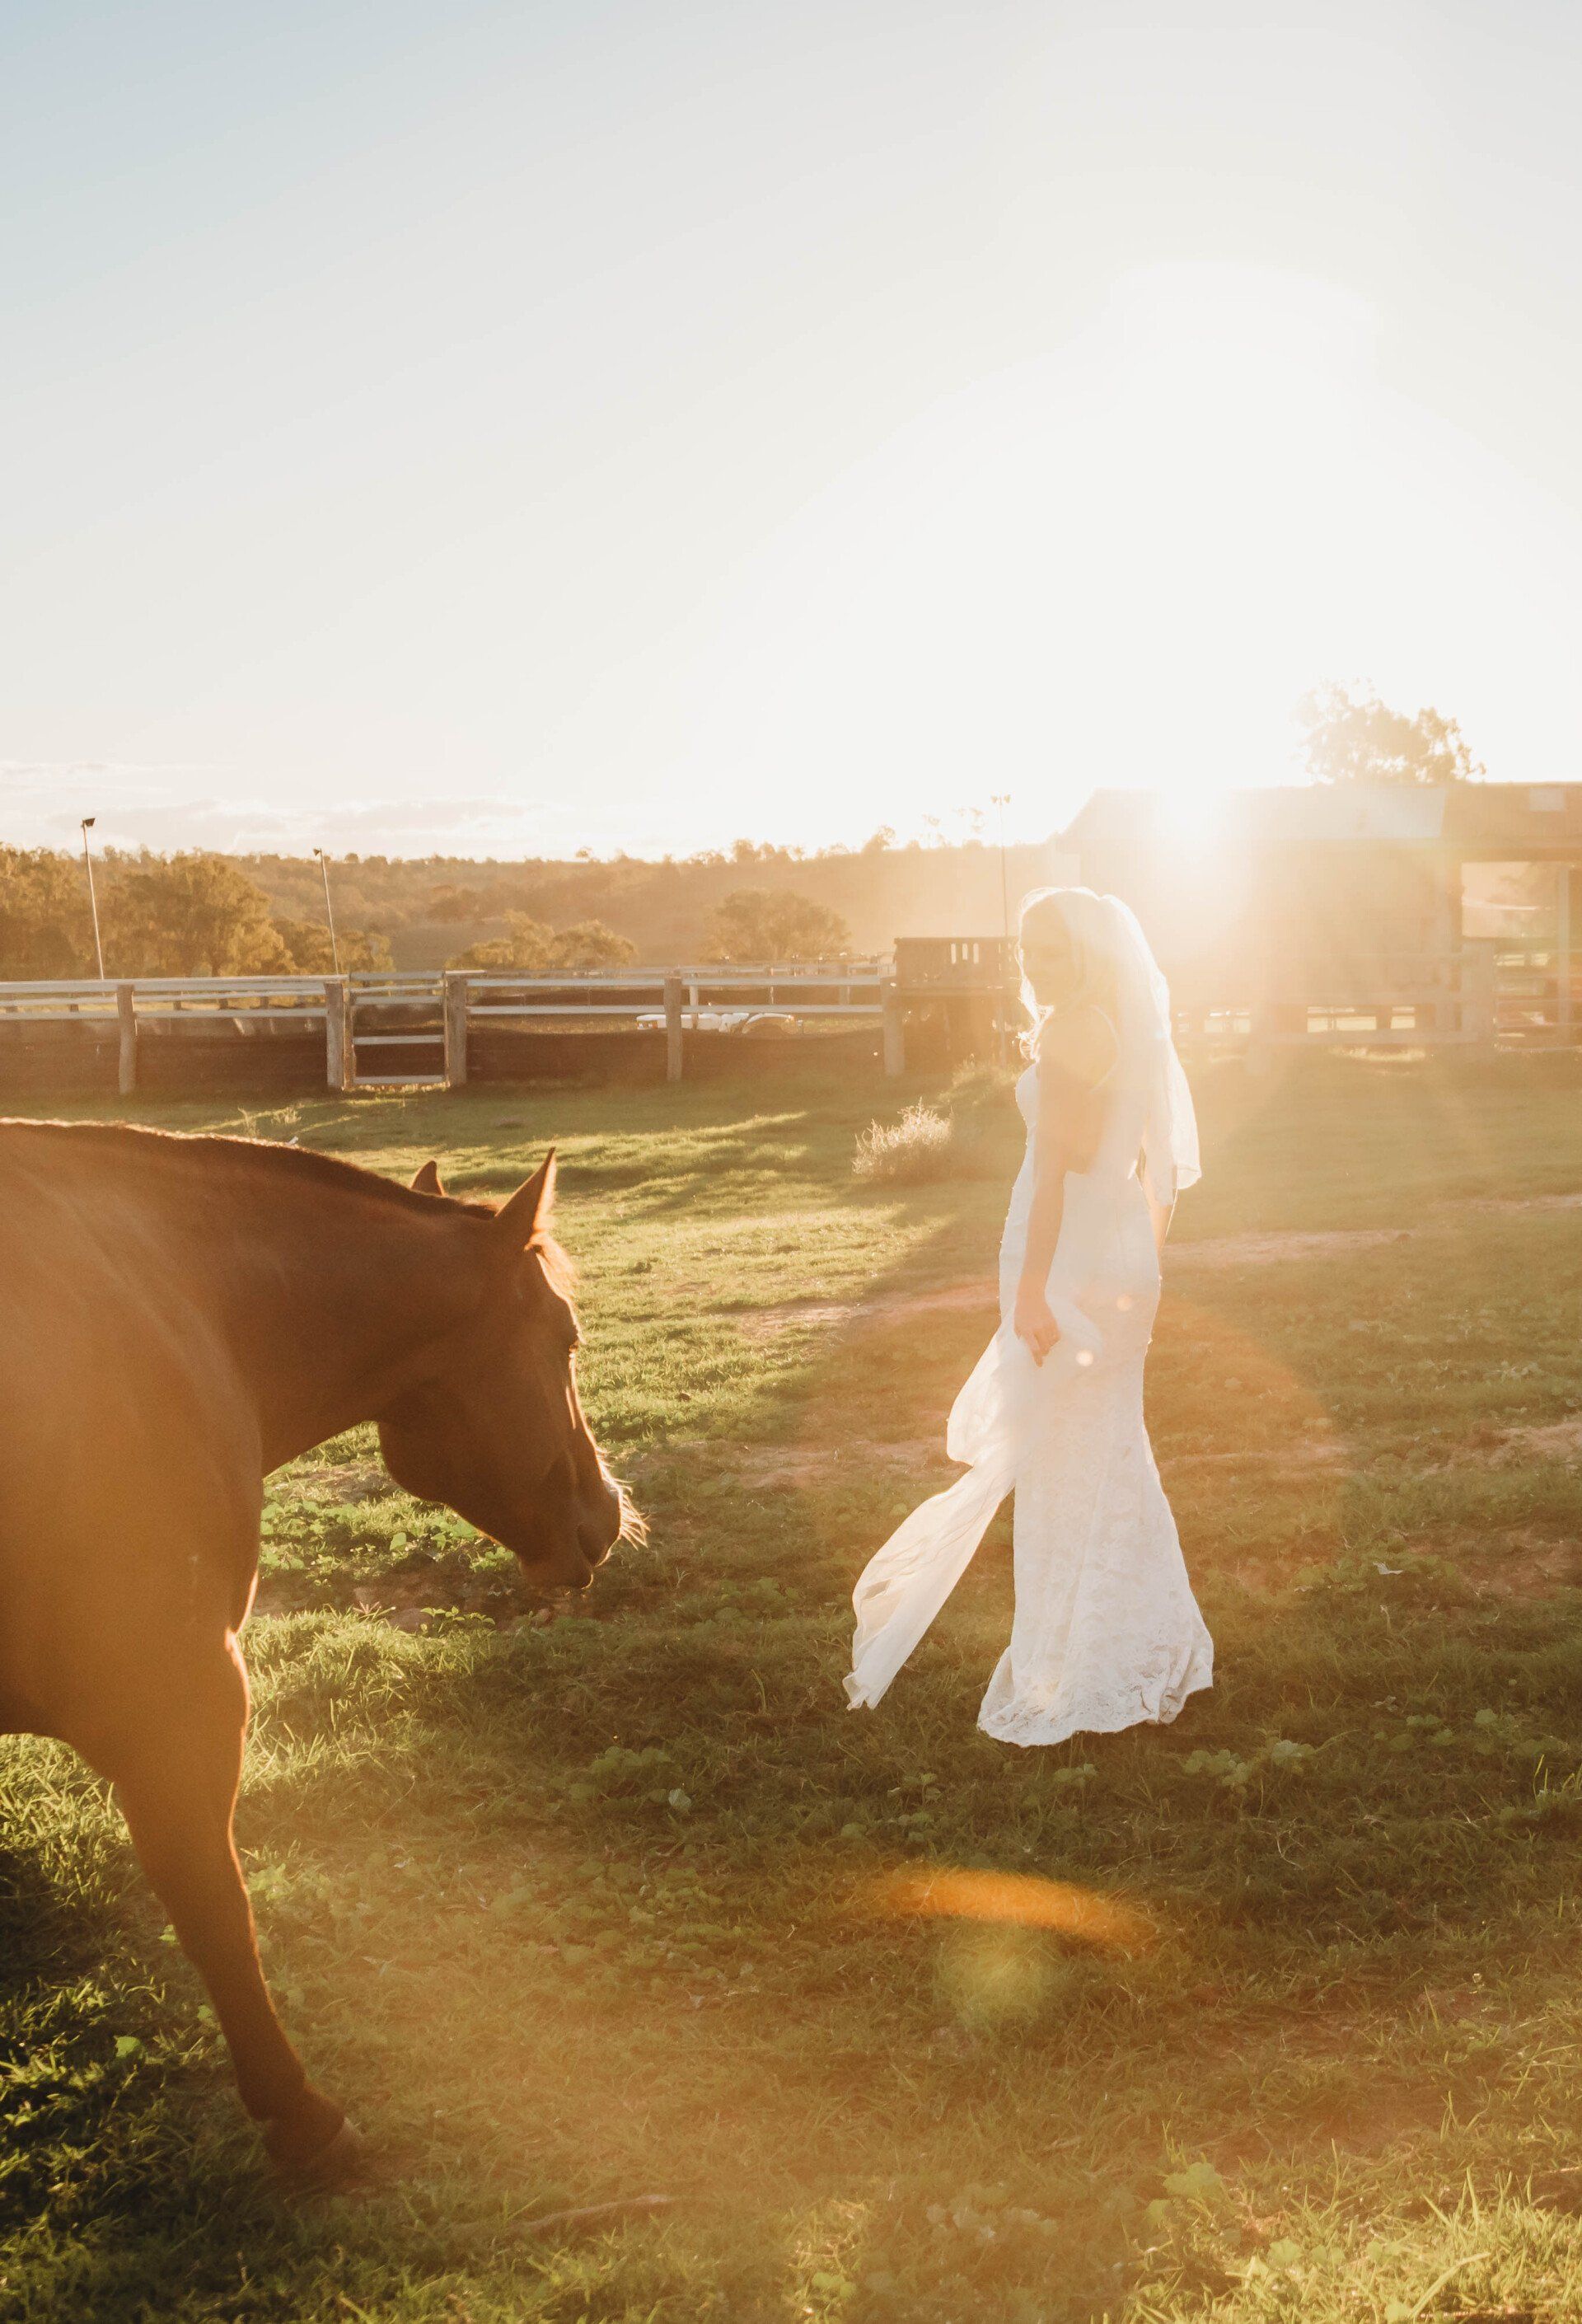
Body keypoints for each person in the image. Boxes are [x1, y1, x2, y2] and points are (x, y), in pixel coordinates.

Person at [845, 886, 1213, 1745]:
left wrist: (1033, 1289)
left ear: (1090, 954)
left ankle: (1070, 1674)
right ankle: (1154, 1646)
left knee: (1060, 1472)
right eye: (1028, 951)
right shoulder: (1126, 1030)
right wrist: (1137, 1259)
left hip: (1068, 1266)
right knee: (1112, 1457)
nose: (1035, 967)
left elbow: (1050, 1176)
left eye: (1053, 951)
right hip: (1116, 1257)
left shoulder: (1075, 1030)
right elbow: (1157, 1178)